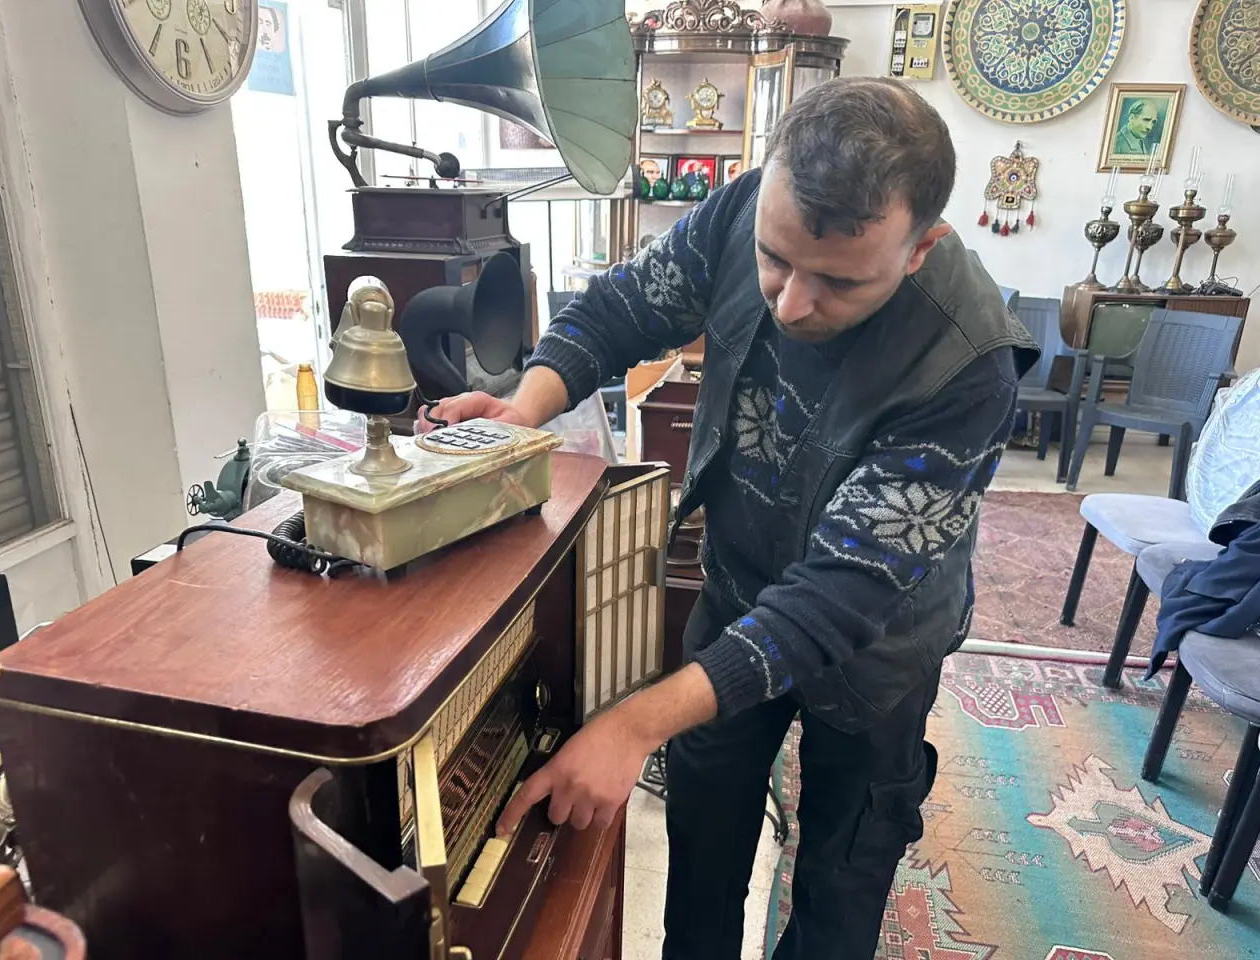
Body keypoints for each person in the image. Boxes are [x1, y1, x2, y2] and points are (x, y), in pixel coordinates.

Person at [418, 77, 1039, 959]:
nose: (790, 304)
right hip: (739, 587)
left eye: (839, 282)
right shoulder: (745, 206)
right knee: (702, 848)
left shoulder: (970, 362)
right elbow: (620, 310)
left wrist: (635, 722)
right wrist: (526, 409)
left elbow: (836, 600)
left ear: (919, 249)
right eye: (775, 260)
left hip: (877, 650)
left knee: (842, 879)